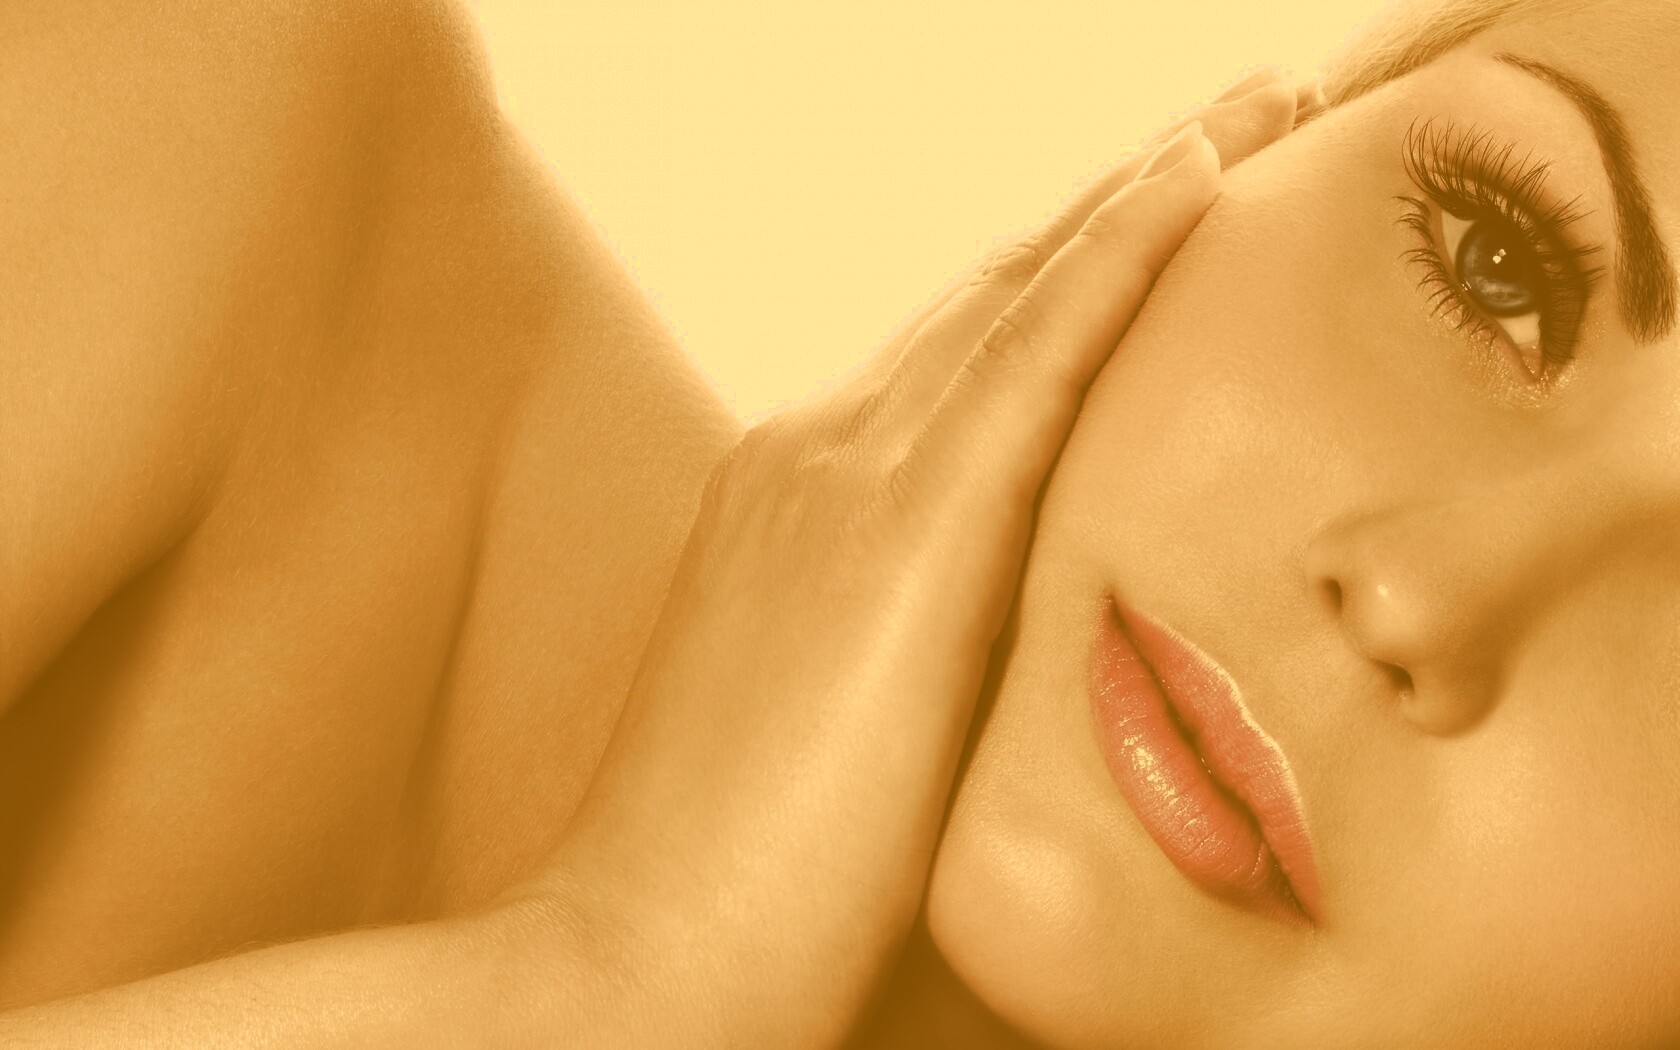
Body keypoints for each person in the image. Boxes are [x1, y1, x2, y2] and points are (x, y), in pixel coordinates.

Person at [1, 1, 1674, 1049]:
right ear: (1261, 147)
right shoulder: (213, 133)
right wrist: (625, 970)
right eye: (1502, 266)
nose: (1415, 587)